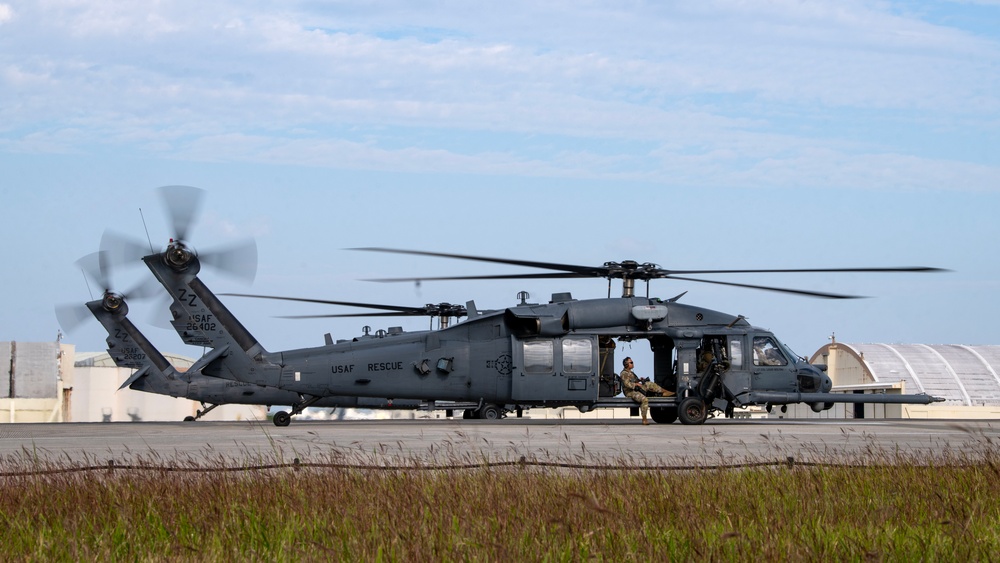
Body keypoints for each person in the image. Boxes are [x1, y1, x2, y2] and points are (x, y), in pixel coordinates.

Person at [620, 356, 674, 425]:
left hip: (636, 389)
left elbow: (634, 381)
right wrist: (635, 384)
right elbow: (627, 384)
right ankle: (644, 419)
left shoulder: (631, 373)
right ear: (627, 364)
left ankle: (664, 392)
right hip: (630, 392)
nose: (633, 363)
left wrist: (640, 380)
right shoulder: (624, 373)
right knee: (644, 399)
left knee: (649, 384)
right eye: (631, 362)